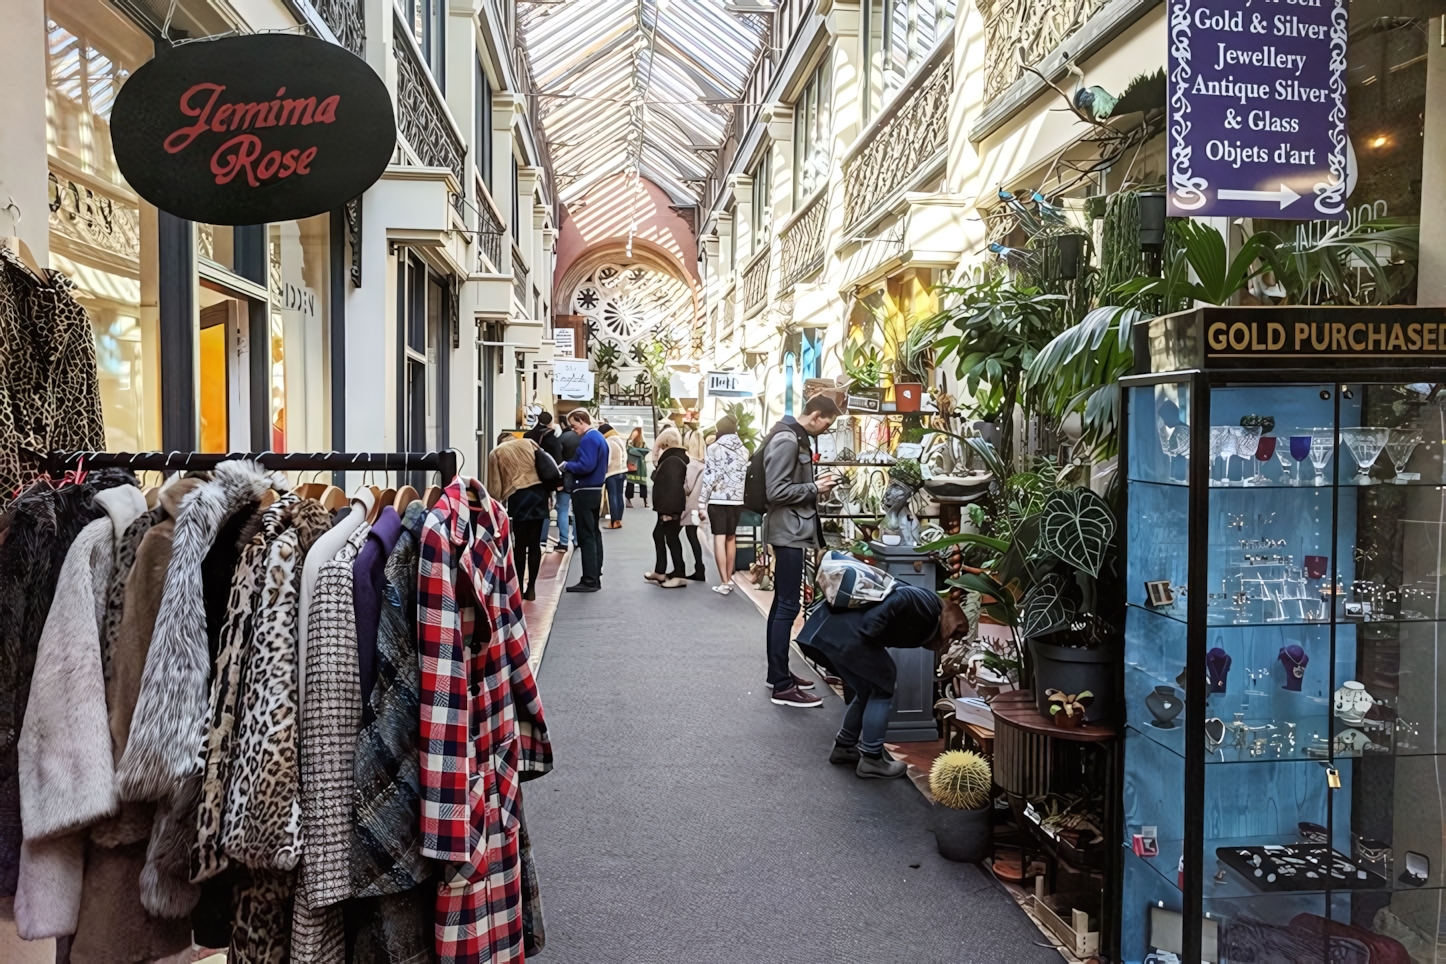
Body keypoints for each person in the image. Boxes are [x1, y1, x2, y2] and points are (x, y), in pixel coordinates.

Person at [799, 587, 968, 777]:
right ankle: (872, 759)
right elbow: (899, 597)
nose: (951, 640)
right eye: (954, 635)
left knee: (867, 690)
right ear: (949, 621)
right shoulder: (929, 606)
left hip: (825, 631)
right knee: (883, 687)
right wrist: (871, 632)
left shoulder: (927, 612)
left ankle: (844, 747)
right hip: (849, 635)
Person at [762, 394, 842, 708]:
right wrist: (815, 488)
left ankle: (778, 673)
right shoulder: (788, 439)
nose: (828, 428)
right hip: (789, 532)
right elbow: (776, 490)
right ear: (818, 415)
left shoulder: (793, 435)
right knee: (787, 605)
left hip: (791, 530)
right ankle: (782, 684)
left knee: (782, 603)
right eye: (829, 421)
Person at [487, 436, 549, 600]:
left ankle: (519, 588)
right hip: (539, 493)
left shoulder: (496, 452)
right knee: (535, 543)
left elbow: (495, 485)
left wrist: (495, 504)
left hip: (518, 496)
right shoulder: (529, 442)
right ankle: (532, 589)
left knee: (520, 544)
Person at [697, 414, 748, 595]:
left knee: (719, 537)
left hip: (718, 499)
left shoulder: (714, 448)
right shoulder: (744, 450)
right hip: (737, 500)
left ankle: (724, 581)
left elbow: (710, 477)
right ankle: (730, 578)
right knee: (731, 537)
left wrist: (701, 501)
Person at [558, 408, 609, 592]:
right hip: (594, 490)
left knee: (586, 535)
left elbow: (586, 465)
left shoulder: (588, 438)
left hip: (585, 490)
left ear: (581, 421)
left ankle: (590, 579)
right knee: (594, 533)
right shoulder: (598, 437)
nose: (573, 430)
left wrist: (567, 465)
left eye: (574, 425)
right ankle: (595, 573)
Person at [644, 427, 690, 588]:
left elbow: (671, 488)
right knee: (662, 536)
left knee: (670, 538)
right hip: (669, 507)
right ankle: (661, 570)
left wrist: (667, 512)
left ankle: (678, 573)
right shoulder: (677, 458)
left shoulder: (672, 461)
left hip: (669, 508)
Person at [548, 416, 581, 552]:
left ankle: (563, 541)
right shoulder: (583, 438)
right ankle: (577, 539)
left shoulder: (561, 439)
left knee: (562, 508)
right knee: (577, 510)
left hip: (565, 476)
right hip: (580, 477)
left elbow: (557, 462)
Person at [682, 442, 706, 581]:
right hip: (699, 506)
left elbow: (688, 487)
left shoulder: (692, 465)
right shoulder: (704, 466)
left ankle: (699, 568)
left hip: (690, 506)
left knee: (690, 535)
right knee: (692, 534)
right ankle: (699, 568)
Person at [600, 422, 628, 529]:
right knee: (620, 496)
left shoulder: (608, 442)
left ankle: (614, 521)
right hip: (622, 470)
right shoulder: (619, 439)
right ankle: (619, 520)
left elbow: (607, 459)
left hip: (612, 472)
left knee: (613, 497)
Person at [625, 426, 650, 507]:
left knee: (636, 483)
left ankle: (642, 500)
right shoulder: (639, 444)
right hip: (638, 465)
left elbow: (629, 451)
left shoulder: (639, 444)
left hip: (635, 465)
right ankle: (644, 501)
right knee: (636, 483)